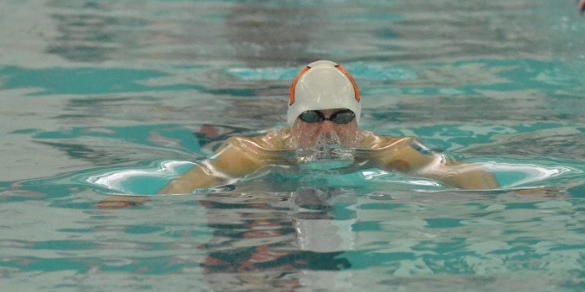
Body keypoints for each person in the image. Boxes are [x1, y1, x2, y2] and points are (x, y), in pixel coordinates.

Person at [158, 60, 498, 195]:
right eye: (311, 117)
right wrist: (134, 204)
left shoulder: (389, 150)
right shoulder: (251, 153)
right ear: (292, 123)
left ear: (358, 120)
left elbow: (470, 174)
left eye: (342, 117)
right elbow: (182, 187)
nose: (327, 132)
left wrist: (510, 199)